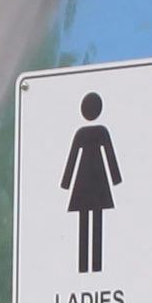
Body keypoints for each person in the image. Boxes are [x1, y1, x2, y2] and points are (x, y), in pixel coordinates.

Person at [59, 93, 123, 273]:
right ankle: (87, 266)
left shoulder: (90, 132)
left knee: (90, 221)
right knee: (91, 221)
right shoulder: (98, 131)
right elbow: (74, 156)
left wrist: (66, 182)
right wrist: (115, 179)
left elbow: (74, 158)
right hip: (95, 180)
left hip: (86, 179)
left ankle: (93, 266)